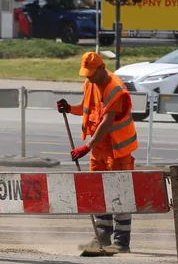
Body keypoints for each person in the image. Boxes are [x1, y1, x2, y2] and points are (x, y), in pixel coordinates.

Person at [57, 52, 138, 253]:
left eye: (91, 74)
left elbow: (106, 122)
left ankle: (121, 241)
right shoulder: (90, 84)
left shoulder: (115, 89)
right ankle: (102, 236)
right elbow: (87, 109)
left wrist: (87, 146)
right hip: (99, 149)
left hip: (117, 150)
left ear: (102, 68)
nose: (89, 78)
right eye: (86, 74)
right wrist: (69, 108)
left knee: (118, 192)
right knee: (99, 191)